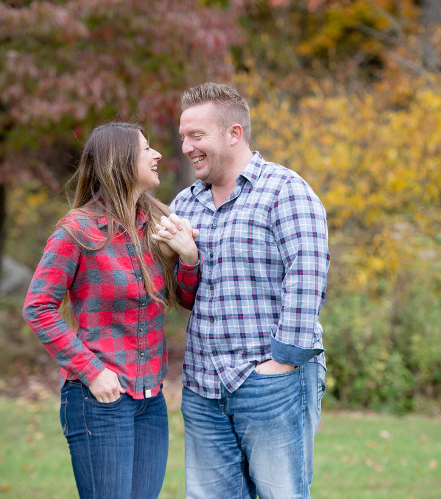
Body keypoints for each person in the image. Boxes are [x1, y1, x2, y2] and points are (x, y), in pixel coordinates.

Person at [158, 82, 330, 498]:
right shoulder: (185, 204)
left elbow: (308, 276)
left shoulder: (285, 191)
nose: (186, 147)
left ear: (233, 134)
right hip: (202, 387)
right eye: (184, 136)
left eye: (197, 136)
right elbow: (184, 299)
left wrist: (282, 364)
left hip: (270, 381)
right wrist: (186, 260)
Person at [23, 122, 200, 499]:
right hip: (98, 399)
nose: (157, 156)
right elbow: (38, 307)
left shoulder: (155, 224)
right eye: (146, 149)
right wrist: (92, 371)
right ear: (120, 162)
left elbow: (184, 299)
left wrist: (188, 257)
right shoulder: (77, 230)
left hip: (150, 399)